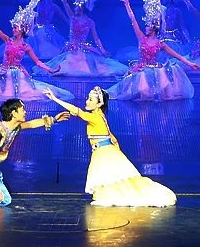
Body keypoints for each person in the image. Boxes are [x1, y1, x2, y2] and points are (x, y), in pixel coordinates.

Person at [41, 86, 177, 207]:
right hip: (107, 151)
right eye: (88, 99)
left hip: (104, 153)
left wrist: (55, 99)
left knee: (110, 180)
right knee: (112, 180)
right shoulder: (99, 115)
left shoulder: (95, 117)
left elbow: (76, 111)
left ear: (99, 103)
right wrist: (118, 154)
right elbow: (112, 137)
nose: (87, 102)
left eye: (90, 100)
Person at [0, 98, 70, 207]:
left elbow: (32, 124)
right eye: (22, 109)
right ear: (14, 113)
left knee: (0, 192)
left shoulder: (15, 127)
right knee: (4, 199)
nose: (25, 112)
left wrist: (54, 119)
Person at [0, 0, 73, 101]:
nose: (13, 29)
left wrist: (50, 70)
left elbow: (38, 62)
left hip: (17, 72)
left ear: (22, 30)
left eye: (15, 28)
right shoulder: (8, 40)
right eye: (13, 27)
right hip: (3, 70)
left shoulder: (25, 47)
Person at [105, 0, 198, 102]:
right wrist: (127, 5)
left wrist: (190, 64)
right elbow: (133, 20)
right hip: (141, 68)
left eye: (147, 26)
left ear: (153, 28)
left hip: (154, 69)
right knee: (140, 86)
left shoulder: (160, 44)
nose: (145, 27)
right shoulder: (141, 37)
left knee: (160, 80)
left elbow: (177, 56)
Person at [33, 0, 128, 77]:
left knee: (92, 66)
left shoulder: (90, 22)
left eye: (76, 7)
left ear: (81, 8)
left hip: (83, 48)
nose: (75, 8)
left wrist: (102, 50)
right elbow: (65, 2)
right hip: (72, 48)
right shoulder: (72, 18)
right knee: (67, 64)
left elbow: (96, 38)